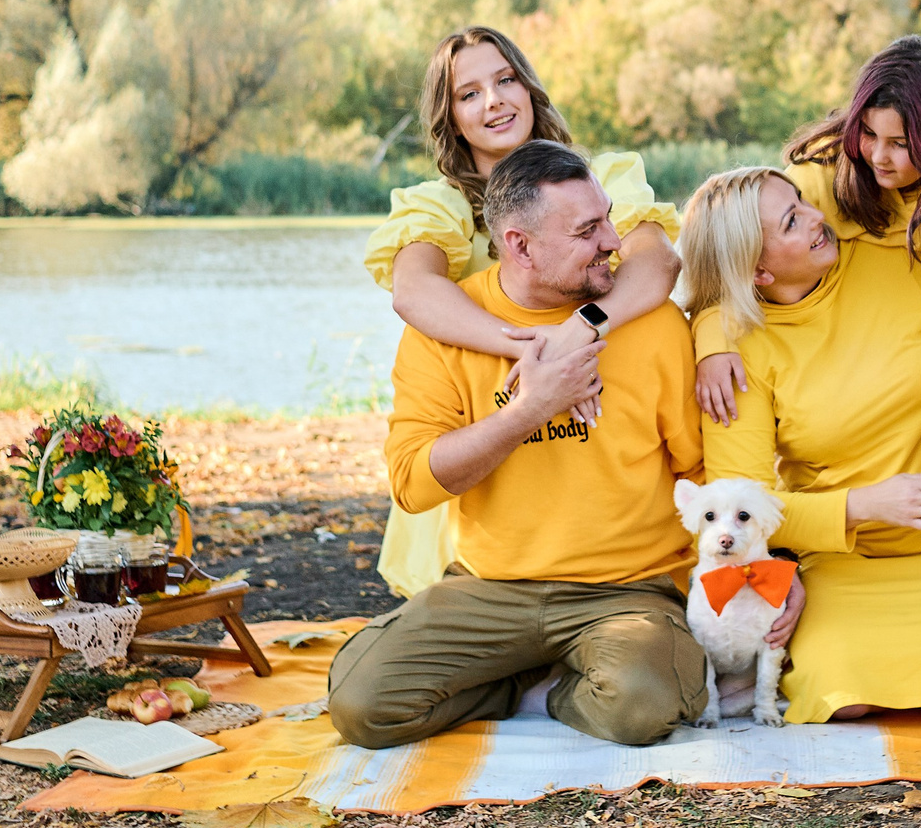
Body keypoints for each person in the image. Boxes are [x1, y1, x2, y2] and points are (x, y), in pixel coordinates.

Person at [329, 141, 800, 748]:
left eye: (607, 217)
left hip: (628, 590)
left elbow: (708, 473)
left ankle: (559, 684)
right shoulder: (444, 330)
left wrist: (771, 564)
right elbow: (414, 485)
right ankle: (516, 674)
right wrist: (531, 409)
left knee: (642, 707)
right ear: (521, 245)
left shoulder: (649, 325)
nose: (613, 239)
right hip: (489, 587)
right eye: (587, 230)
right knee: (362, 706)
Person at [682, 165, 921, 723]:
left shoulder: (896, 263)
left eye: (802, 203)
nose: (819, 219)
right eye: (793, 221)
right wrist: (869, 504)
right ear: (757, 270)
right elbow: (744, 502)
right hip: (850, 557)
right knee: (844, 696)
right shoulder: (738, 355)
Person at [362, 27, 682, 598]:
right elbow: (414, 293)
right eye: (469, 93)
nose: (495, 101)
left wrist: (580, 330)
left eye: (506, 79)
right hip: (491, 435)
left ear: (529, 87)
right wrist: (533, 350)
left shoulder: (598, 180)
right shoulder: (439, 207)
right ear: (450, 118)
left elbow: (655, 266)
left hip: (602, 431)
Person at [694, 36, 921, 529]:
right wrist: (713, 337)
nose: (878, 156)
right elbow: (730, 247)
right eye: (867, 132)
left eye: (901, 144)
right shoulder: (819, 181)